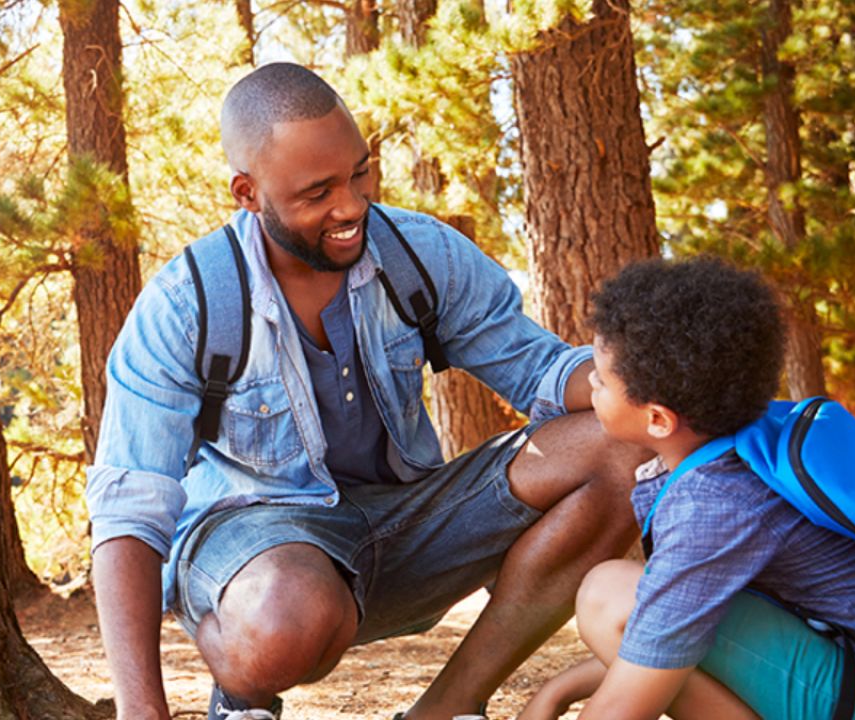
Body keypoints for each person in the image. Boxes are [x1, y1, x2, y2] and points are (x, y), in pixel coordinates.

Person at [85, 62, 646, 720]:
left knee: (622, 447)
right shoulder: (188, 304)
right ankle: (241, 699)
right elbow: (128, 516)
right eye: (317, 192)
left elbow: (540, 370)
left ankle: (448, 706)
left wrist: (642, 378)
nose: (350, 205)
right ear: (247, 192)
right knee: (285, 614)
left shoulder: (420, 254)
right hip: (263, 553)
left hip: (408, 525)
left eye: (359, 172)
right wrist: (140, 712)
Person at [518, 258, 855, 720]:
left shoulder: (714, 503)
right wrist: (559, 688)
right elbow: (681, 623)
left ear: (657, 419)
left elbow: (624, 704)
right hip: (838, 663)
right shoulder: (749, 442)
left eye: (601, 378)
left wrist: (560, 697)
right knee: (621, 595)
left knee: (610, 597)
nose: (591, 384)